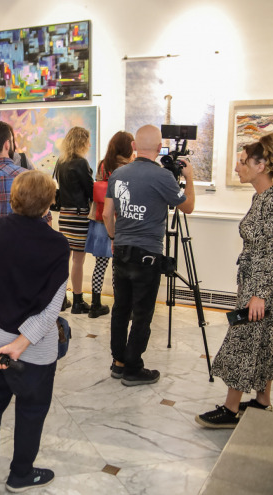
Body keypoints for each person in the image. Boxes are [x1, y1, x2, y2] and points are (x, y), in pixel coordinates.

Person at [0, 170, 68, 494]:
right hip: (30, 352)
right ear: (49, 204)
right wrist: (19, 344)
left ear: (12, 197)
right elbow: (51, 308)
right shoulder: (58, 245)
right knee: (32, 409)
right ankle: (20, 475)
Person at [196, 133, 273, 428]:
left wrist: (259, 294)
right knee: (262, 344)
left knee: (243, 343)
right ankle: (262, 403)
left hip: (265, 288)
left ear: (261, 165)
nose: (238, 167)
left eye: (243, 161)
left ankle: (230, 409)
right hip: (255, 284)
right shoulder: (261, 197)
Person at [103, 125, 195, 385]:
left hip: (121, 249)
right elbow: (187, 206)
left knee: (121, 309)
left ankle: (118, 362)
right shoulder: (163, 177)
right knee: (142, 313)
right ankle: (133, 368)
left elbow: (106, 214)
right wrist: (189, 178)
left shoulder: (118, 174)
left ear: (134, 147)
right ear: (158, 149)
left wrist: (113, 238)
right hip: (148, 255)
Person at [84, 131, 134, 318]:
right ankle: (121, 305)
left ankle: (95, 304)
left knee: (100, 264)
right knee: (119, 267)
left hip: (99, 218)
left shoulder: (103, 164)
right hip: (120, 219)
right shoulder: (129, 167)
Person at [54, 127, 94, 314]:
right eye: (87, 141)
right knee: (78, 260)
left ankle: (61, 299)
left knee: (65, 258)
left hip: (64, 215)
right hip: (79, 216)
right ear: (81, 142)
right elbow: (90, 191)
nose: (89, 145)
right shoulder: (80, 163)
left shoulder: (61, 162)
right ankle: (78, 300)